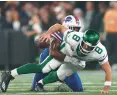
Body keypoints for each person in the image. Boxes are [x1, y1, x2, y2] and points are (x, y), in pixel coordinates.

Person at [0, 15, 84, 92]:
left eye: (78, 29)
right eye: (74, 28)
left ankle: (55, 78)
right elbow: (51, 52)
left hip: (65, 64)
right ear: (66, 27)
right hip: (50, 59)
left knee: (79, 89)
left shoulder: (78, 39)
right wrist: (46, 40)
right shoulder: (59, 35)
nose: (76, 31)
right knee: (37, 82)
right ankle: (10, 74)